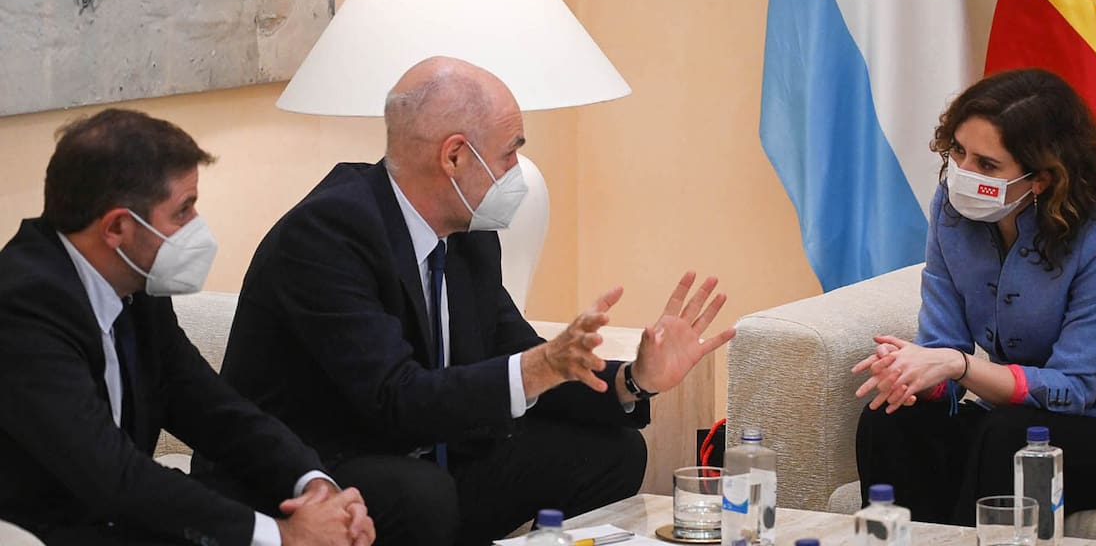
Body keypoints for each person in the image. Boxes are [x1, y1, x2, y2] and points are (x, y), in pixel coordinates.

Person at [219, 56, 736, 546]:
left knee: (611, 451)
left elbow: (515, 352)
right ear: (454, 156)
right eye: (510, 151)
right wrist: (538, 366)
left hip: (422, 457)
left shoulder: (467, 233)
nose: (517, 168)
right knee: (423, 493)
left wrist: (632, 380)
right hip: (314, 471)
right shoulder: (328, 236)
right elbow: (394, 400)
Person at [0, 109, 375, 546]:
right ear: (118, 226)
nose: (196, 225)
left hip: (122, 515)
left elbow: (209, 406)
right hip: (46, 528)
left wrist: (312, 485)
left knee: (391, 505)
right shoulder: (23, 308)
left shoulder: (134, 285)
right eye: (182, 211)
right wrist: (283, 535)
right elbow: (109, 473)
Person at [852, 68, 1096, 525]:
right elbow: (944, 349)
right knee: (892, 418)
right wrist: (916, 374)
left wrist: (961, 366)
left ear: (1042, 178)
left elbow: (1072, 389)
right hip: (1009, 427)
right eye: (958, 151)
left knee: (1011, 437)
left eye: (987, 165)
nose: (963, 174)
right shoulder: (951, 212)